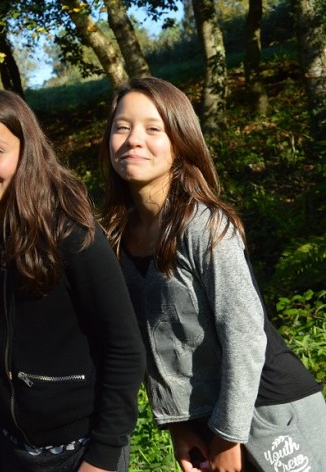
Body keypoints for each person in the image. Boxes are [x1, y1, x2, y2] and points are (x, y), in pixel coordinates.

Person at [99, 77, 325, 472]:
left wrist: (228, 434)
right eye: (122, 126)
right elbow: (154, 345)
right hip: (203, 418)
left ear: (180, 142)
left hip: (266, 410)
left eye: (153, 129)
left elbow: (245, 334)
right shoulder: (115, 237)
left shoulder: (205, 225)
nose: (134, 139)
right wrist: (178, 425)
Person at [0, 89, 146, 472]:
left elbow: (125, 350)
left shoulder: (72, 234)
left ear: (25, 153)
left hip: (81, 451)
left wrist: (102, 457)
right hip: (11, 451)